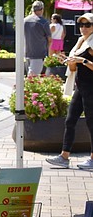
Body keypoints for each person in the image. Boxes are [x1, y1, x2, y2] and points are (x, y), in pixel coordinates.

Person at [45, 12, 93, 171]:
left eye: (87, 25)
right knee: (70, 119)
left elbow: (86, 63)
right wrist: (69, 62)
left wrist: (82, 60)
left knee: (91, 123)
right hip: (80, 87)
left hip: (91, 88)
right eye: (81, 24)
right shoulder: (81, 41)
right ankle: (64, 156)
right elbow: (73, 67)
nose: (83, 28)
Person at [23, 0, 50, 76]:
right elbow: (49, 39)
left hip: (26, 52)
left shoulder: (24, 21)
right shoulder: (43, 22)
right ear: (42, 10)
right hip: (38, 53)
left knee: (30, 74)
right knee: (33, 76)